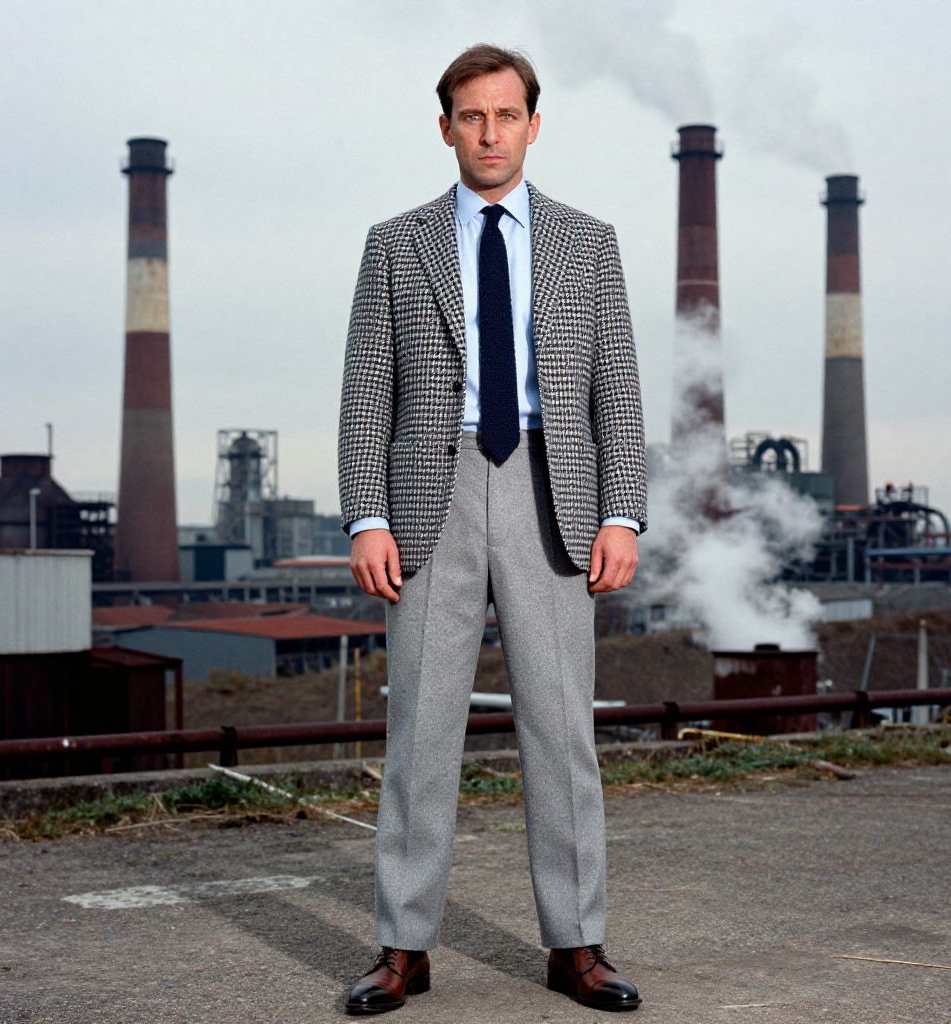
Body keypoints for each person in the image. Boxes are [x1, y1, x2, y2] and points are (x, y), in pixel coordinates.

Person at [337, 43, 648, 1015]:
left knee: (561, 731)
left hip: (554, 492)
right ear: (446, 129)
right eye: (471, 116)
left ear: (533, 125)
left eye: (506, 115)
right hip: (430, 495)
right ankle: (403, 948)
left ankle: (577, 944)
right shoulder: (396, 244)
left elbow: (617, 389)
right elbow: (365, 393)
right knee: (420, 731)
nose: (489, 133)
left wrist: (622, 511)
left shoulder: (589, 243)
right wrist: (367, 516)